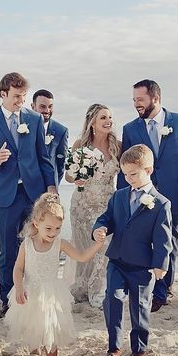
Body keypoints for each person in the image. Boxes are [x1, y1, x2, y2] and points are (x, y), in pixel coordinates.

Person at [0, 72, 57, 318]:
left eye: (23, 96)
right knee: (8, 250)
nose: (20, 101)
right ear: (3, 94)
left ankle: (34, 294)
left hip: (34, 194)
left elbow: (43, 157)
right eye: (15, 96)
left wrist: (51, 187)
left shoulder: (34, 120)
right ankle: (8, 299)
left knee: (36, 246)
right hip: (6, 196)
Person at [118, 79, 178, 312]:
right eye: (134, 100)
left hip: (173, 193)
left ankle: (163, 290)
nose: (137, 104)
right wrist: (123, 198)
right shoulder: (130, 129)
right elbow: (126, 167)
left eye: (140, 100)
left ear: (155, 98)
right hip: (143, 195)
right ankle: (146, 286)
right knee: (144, 242)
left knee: (169, 241)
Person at [5, 193, 104, 356]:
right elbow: (18, 268)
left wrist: (98, 244)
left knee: (50, 329)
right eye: (48, 228)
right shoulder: (27, 244)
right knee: (32, 326)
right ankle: (38, 348)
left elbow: (82, 256)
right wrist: (18, 287)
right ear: (36, 223)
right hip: (29, 291)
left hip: (51, 294)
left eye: (57, 228)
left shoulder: (60, 244)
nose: (53, 233)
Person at [93, 144, 173, 356]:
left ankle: (139, 347)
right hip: (117, 260)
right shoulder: (118, 197)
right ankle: (114, 346)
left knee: (140, 306)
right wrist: (99, 228)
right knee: (113, 299)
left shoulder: (161, 204)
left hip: (142, 265)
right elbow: (106, 218)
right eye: (125, 174)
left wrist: (161, 264)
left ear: (148, 170)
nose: (129, 178)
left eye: (133, 174)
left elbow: (163, 238)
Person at [66, 104, 121, 307]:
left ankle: (99, 289)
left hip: (106, 206)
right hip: (81, 205)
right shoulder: (80, 145)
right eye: (103, 118)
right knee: (84, 248)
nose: (109, 121)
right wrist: (77, 178)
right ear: (92, 123)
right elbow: (69, 176)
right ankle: (82, 287)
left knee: (103, 245)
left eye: (110, 117)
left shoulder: (117, 145)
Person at [31, 89, 68, 185]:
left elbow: (61, 165)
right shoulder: (23, 127)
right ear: (33, 107)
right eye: (43, 107)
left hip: (49, 188)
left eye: (50, 107)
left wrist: (53, 184)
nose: (47, 111)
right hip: (25, 188)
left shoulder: (61, 131)